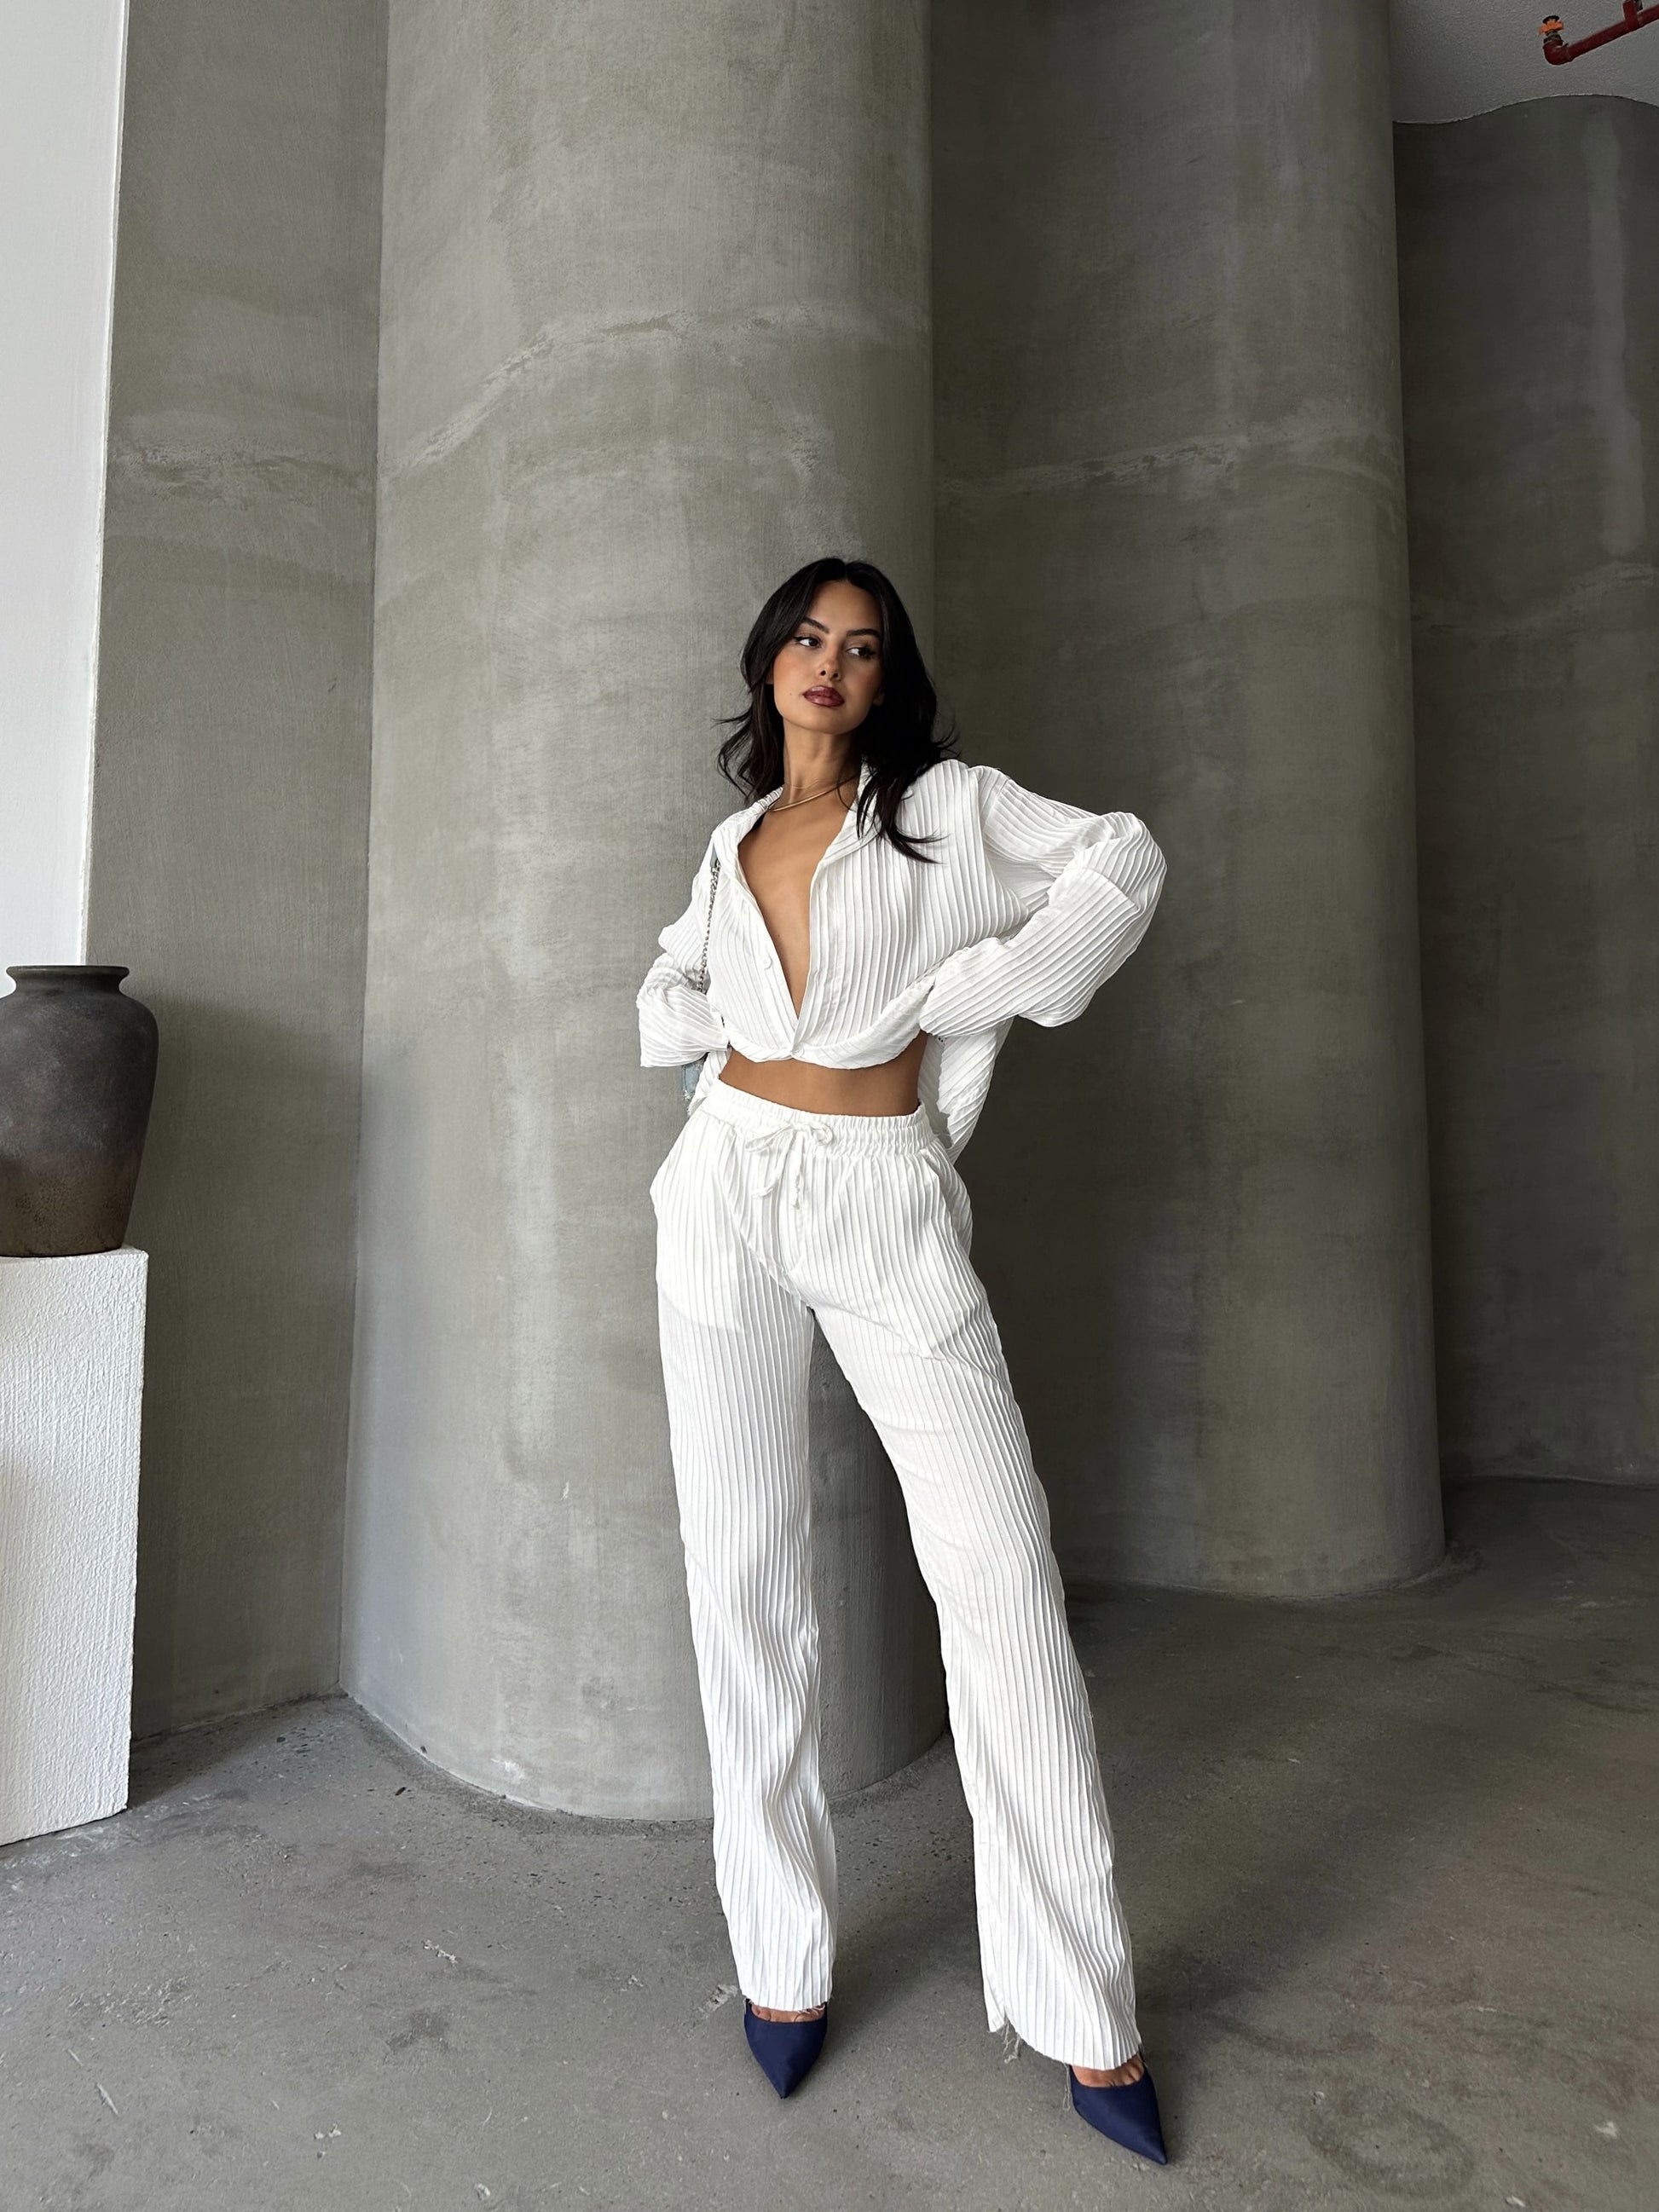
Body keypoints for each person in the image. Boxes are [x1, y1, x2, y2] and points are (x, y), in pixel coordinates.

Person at [636, 555, 1170, 2164]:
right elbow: (668, 991)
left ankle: (1086, 2014)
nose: (829, 661)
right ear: (768, 661)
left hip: (880, 1205)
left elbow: (1122, 858)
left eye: (861, 646)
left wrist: (983, 986)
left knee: (1000, 1578)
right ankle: (778, 1960)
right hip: (722, 1191)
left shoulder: (949, 809)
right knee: (740, 1573)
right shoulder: (735, 840)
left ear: (888, 679)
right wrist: (719, 1030)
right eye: (806, 636)